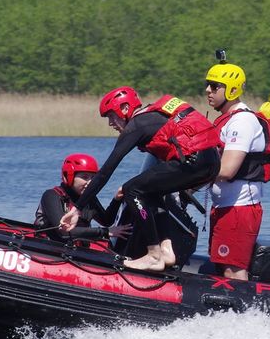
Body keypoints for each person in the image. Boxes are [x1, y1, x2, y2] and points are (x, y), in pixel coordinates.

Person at [59, 86, 221, 271]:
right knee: (153, 192)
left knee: (132, 190)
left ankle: (153, 255)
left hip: (194, 161)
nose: (110, 123)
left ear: (125, 109)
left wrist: (78, 208)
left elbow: (105, 172)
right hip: (211, 163)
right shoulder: (153, 117)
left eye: (112, 116)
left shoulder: (137, 125)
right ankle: (166, 249)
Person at [204, 53, 270, 279]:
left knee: (232, 270)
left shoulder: (242, 121)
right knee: (222, 266)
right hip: (225, 207)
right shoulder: (226, 119)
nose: (208, 90)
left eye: (215, 86)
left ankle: (244, 314)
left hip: (239, 208)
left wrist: (188, 176)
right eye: (207, 85)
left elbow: (227, 170)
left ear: (231, 90)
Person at [34, 152, 129, 245]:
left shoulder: (89, 198)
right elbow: (64, 232)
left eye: (93, 178)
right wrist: (105, 232)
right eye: (85, 177)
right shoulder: (51, 195)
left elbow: (106, 221)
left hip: (77, 250)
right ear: (69, 176)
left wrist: (116, 199)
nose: (90, 182)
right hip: (48, 247)